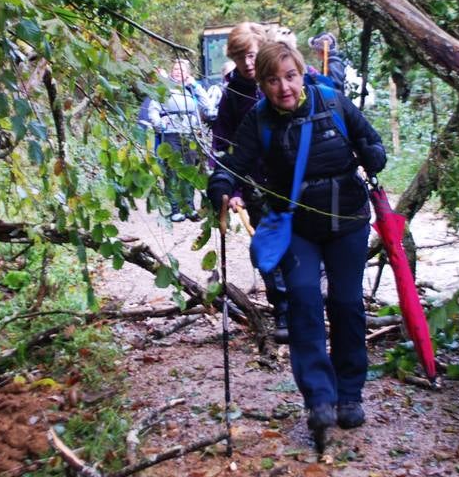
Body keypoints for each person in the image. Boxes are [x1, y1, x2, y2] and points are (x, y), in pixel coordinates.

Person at [207, 40, 386, 441]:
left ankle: (350, 394)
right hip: (297, 226)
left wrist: (372, 155)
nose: (283, 88)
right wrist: (222, 186)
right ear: (263, 84)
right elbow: (232, 165)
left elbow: (371, 142)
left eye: (290, 77)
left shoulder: (333, 102)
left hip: (348, 220)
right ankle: (319, 399)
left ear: (302, 74)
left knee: (346, 302)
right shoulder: (259, 121)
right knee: (304, 300)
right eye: (273, 80)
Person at [209, 23, 290, 344]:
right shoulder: (232, 95)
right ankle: (283, 309)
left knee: (302, 244)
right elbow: (223, 144)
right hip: (255, 184)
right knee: (267, 247)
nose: (247, 62)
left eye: (252, 54)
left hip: (292, 181)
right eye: (239, 56)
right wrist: (234, 190)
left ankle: (308, 305)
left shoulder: (278, 80)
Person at [139, 58, 209, 222]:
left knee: (190, 169)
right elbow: (153, 109)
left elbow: (207, 104)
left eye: (182, 69)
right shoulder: (164, 88)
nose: (178, 71)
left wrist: (196, 86)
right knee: (172, 170)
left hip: (189, 134)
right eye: (176, 69)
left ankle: (189, 207)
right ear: (171, 72)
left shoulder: (191, 89)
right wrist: (158, 124)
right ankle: (175, 208)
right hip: (170, 132)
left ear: (188, 73)